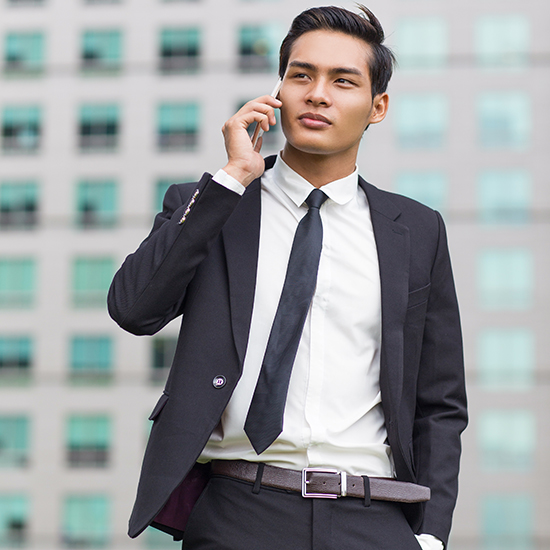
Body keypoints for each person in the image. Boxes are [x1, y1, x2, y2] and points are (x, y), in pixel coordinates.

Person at [108, 5, 467, 550]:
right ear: (278, 92)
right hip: (237, 512)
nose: (317, 94)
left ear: (378, 107)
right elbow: (134, 309)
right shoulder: (211, 206)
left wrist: (432, 536)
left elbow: (440, 401)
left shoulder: (416, 231)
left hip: (373, 517)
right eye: (301, 75)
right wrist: (230, 180)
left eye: (342, 81)